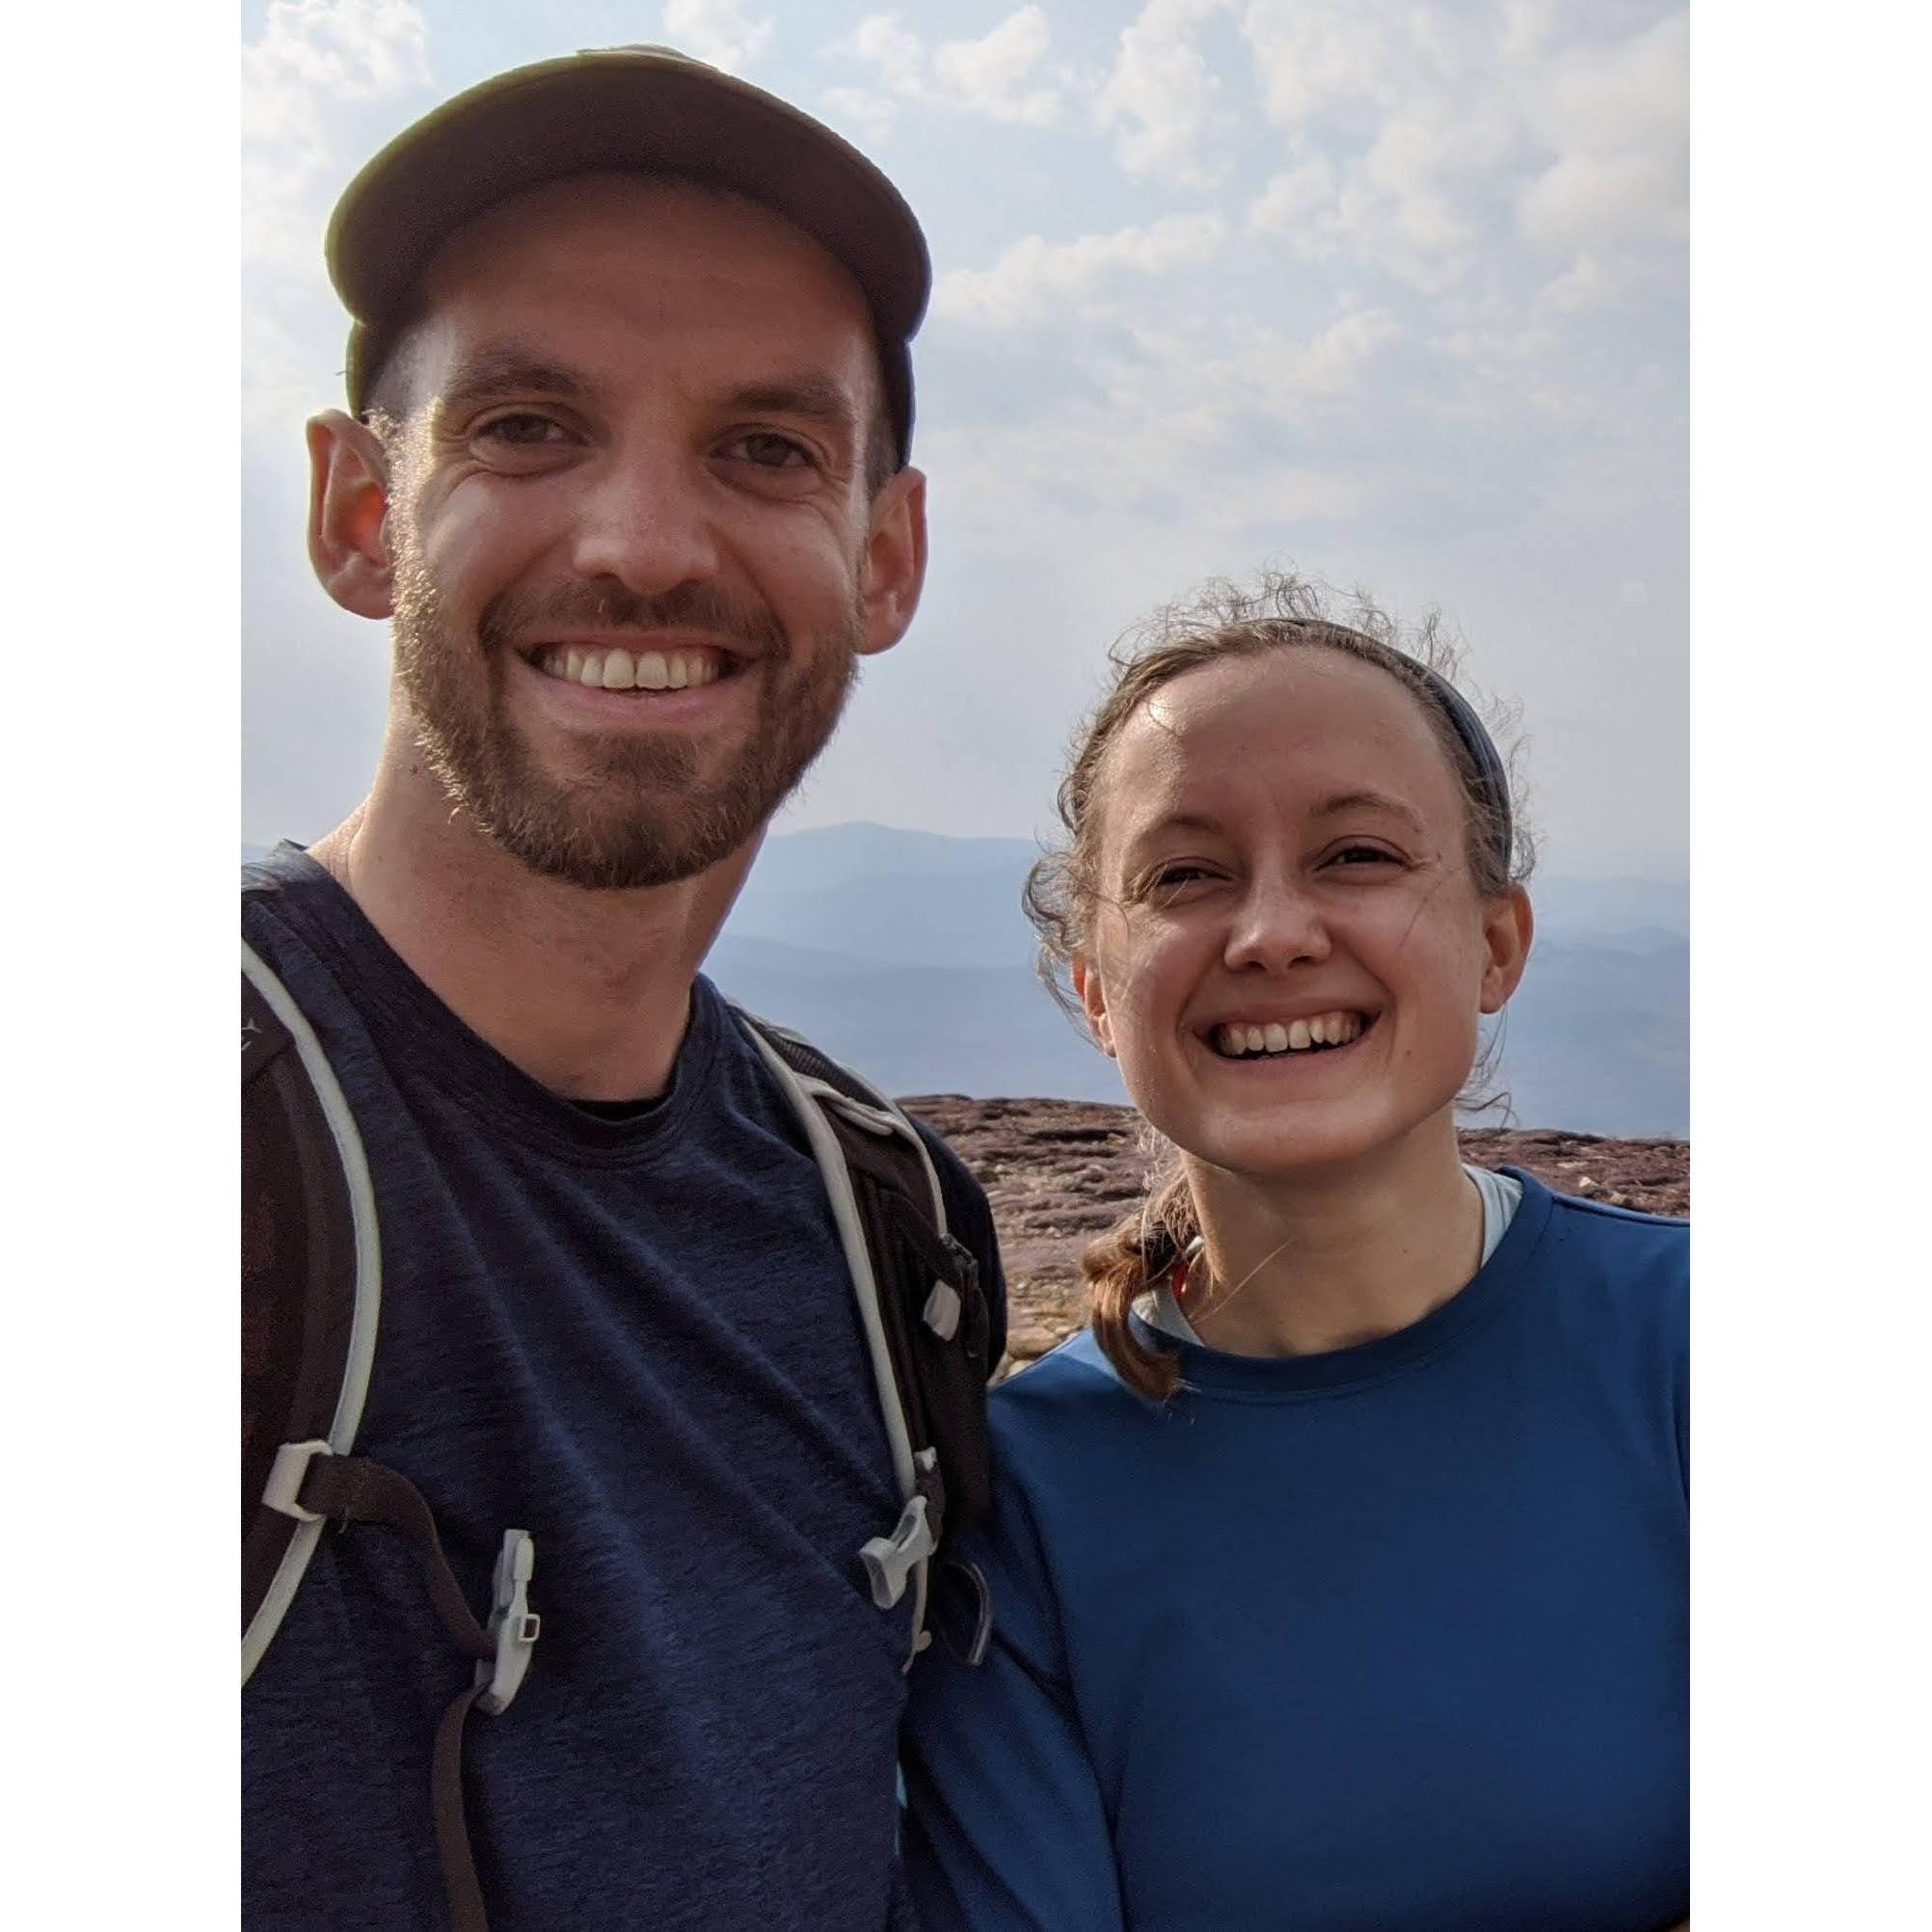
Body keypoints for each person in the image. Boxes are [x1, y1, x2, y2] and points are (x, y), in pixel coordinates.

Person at [241, 46, 1006, 1932]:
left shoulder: (885, 1228)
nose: (646, 547)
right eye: (522, 426)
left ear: (882, 558)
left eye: (765, 448)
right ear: (359, 513)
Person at [902, 573, 1689, 1931]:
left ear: (1496, 941)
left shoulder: (1706, 1349)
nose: (1270, 934)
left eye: (1359, 857)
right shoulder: (1018, 1509)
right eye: (1187, 876)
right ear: (1096, 988)